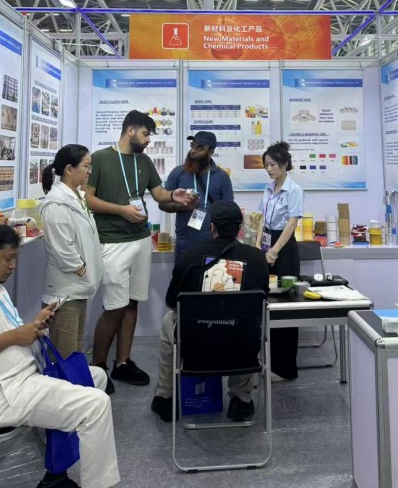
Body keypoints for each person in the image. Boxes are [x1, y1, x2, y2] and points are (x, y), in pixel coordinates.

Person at [0, 225, 119, 488]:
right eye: (8, 259)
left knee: (97, 377)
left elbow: (7, 336)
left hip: (21, 378)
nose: (13, 266)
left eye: (15, 259)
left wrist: (35, 326)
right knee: (95, 404)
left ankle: (56, 476)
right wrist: (14, 336)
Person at [86, 110, 194, 390]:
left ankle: (123, 362)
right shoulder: (100, 158)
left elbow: (158, 194)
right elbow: (88, 199)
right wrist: (121, 210)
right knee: (114, 307)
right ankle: (98, 368)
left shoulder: (143, 161)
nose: (148, 140)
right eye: (145, 134)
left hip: (140, 239)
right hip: (112, 241)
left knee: (132, 302)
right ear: (130, 130)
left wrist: (173, 195)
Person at [151, 200, 269, 423]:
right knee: (247, 323)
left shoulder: (191, 255)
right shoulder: (257, 258)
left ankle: (165, 396)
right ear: (240, 227)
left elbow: (171, 301)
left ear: (212, 227)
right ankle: (241, 399)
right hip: (242, 350)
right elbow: (262, 302)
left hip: (196, 350)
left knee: (169, 319)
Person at [39, 144, 104, 360]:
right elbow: (63, 248)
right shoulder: (56, 203)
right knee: (64, 356)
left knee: (75, 353)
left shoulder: (76, 197)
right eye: (86, 166)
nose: (89, 172)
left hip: (78, 288)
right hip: (65, 291)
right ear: (69, 169)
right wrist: (82, 270)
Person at [255, 141, 304, 381]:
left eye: (272, 164)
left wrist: (274, 252)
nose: (269, 169)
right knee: (268, 303)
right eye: (266, 165)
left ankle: (285, 369)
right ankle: (270, 362)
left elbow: (291, 224)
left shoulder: (294, 190)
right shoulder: (268, 188)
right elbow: (262, 218)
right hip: (267, 243)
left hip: (284, 248)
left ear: (285, 164)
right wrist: (258, 245)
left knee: (285, 306)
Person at [159, 131, 234, 263]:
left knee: (212, 277)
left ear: (210, 152)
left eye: (200, 148)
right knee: (183, 276)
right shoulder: (178, 173)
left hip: (214, 244)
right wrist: (183, 206)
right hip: (185, 244)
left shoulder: (222, 177)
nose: (193, 151)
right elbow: (162, 204)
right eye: (192, 146)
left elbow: (229, 211)